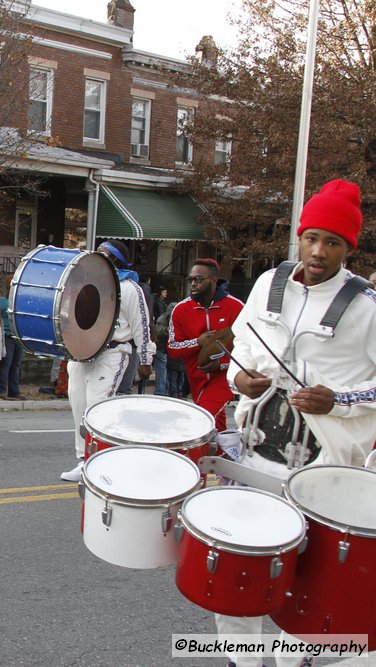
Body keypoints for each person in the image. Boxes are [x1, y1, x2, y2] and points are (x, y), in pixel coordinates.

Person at [214, 179, 376, 667]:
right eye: (312, 238)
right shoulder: (268, 284)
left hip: (322, 471)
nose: (319, 251)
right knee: (239, 576)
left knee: (302, 587)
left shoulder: (366, 307)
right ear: (299, 236)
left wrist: (340, 401)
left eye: (333, 242)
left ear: (349, 248)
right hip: (256, 457)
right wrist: (240, 377)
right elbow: (238, 350)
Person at [62, 240, 154, 482]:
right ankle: (83, 460)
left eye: (105, 255)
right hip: (82, 352)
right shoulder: (85, 282)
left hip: (113, 352)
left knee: (96, 406)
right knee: (78, 405)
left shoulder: (130, 288)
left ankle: (99, 461)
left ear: (116, 261)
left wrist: (146, 358)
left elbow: (141, 326)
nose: (99, 257)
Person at [167, 259, 244, 431]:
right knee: (216, 423)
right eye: (191, 279)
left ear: (214, 280)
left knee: (203, 417)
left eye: (199, 279)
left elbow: (249, 350)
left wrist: (222, 363)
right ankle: (222, 453)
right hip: (196, 377)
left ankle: (194, 456)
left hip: (224, 376)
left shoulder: (236, 308)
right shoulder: (181, 310)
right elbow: (173, 348)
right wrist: (198, 342)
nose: (193, 283)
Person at [0, 275, 23, 400]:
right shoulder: (4, 302)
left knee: (16, 364)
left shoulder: (20, 300)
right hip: (7, 335)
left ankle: (14, 391)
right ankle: (1, 390)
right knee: (6, 364)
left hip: (18, 336)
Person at [152, 299, 173, 397]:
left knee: (166, 371)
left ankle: (165, 391)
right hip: (160, 348)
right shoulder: (163, 319)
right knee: (162, 371)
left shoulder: (168, 318)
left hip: (167, 349)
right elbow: (159, 332)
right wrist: (167, 330)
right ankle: (160, 392)